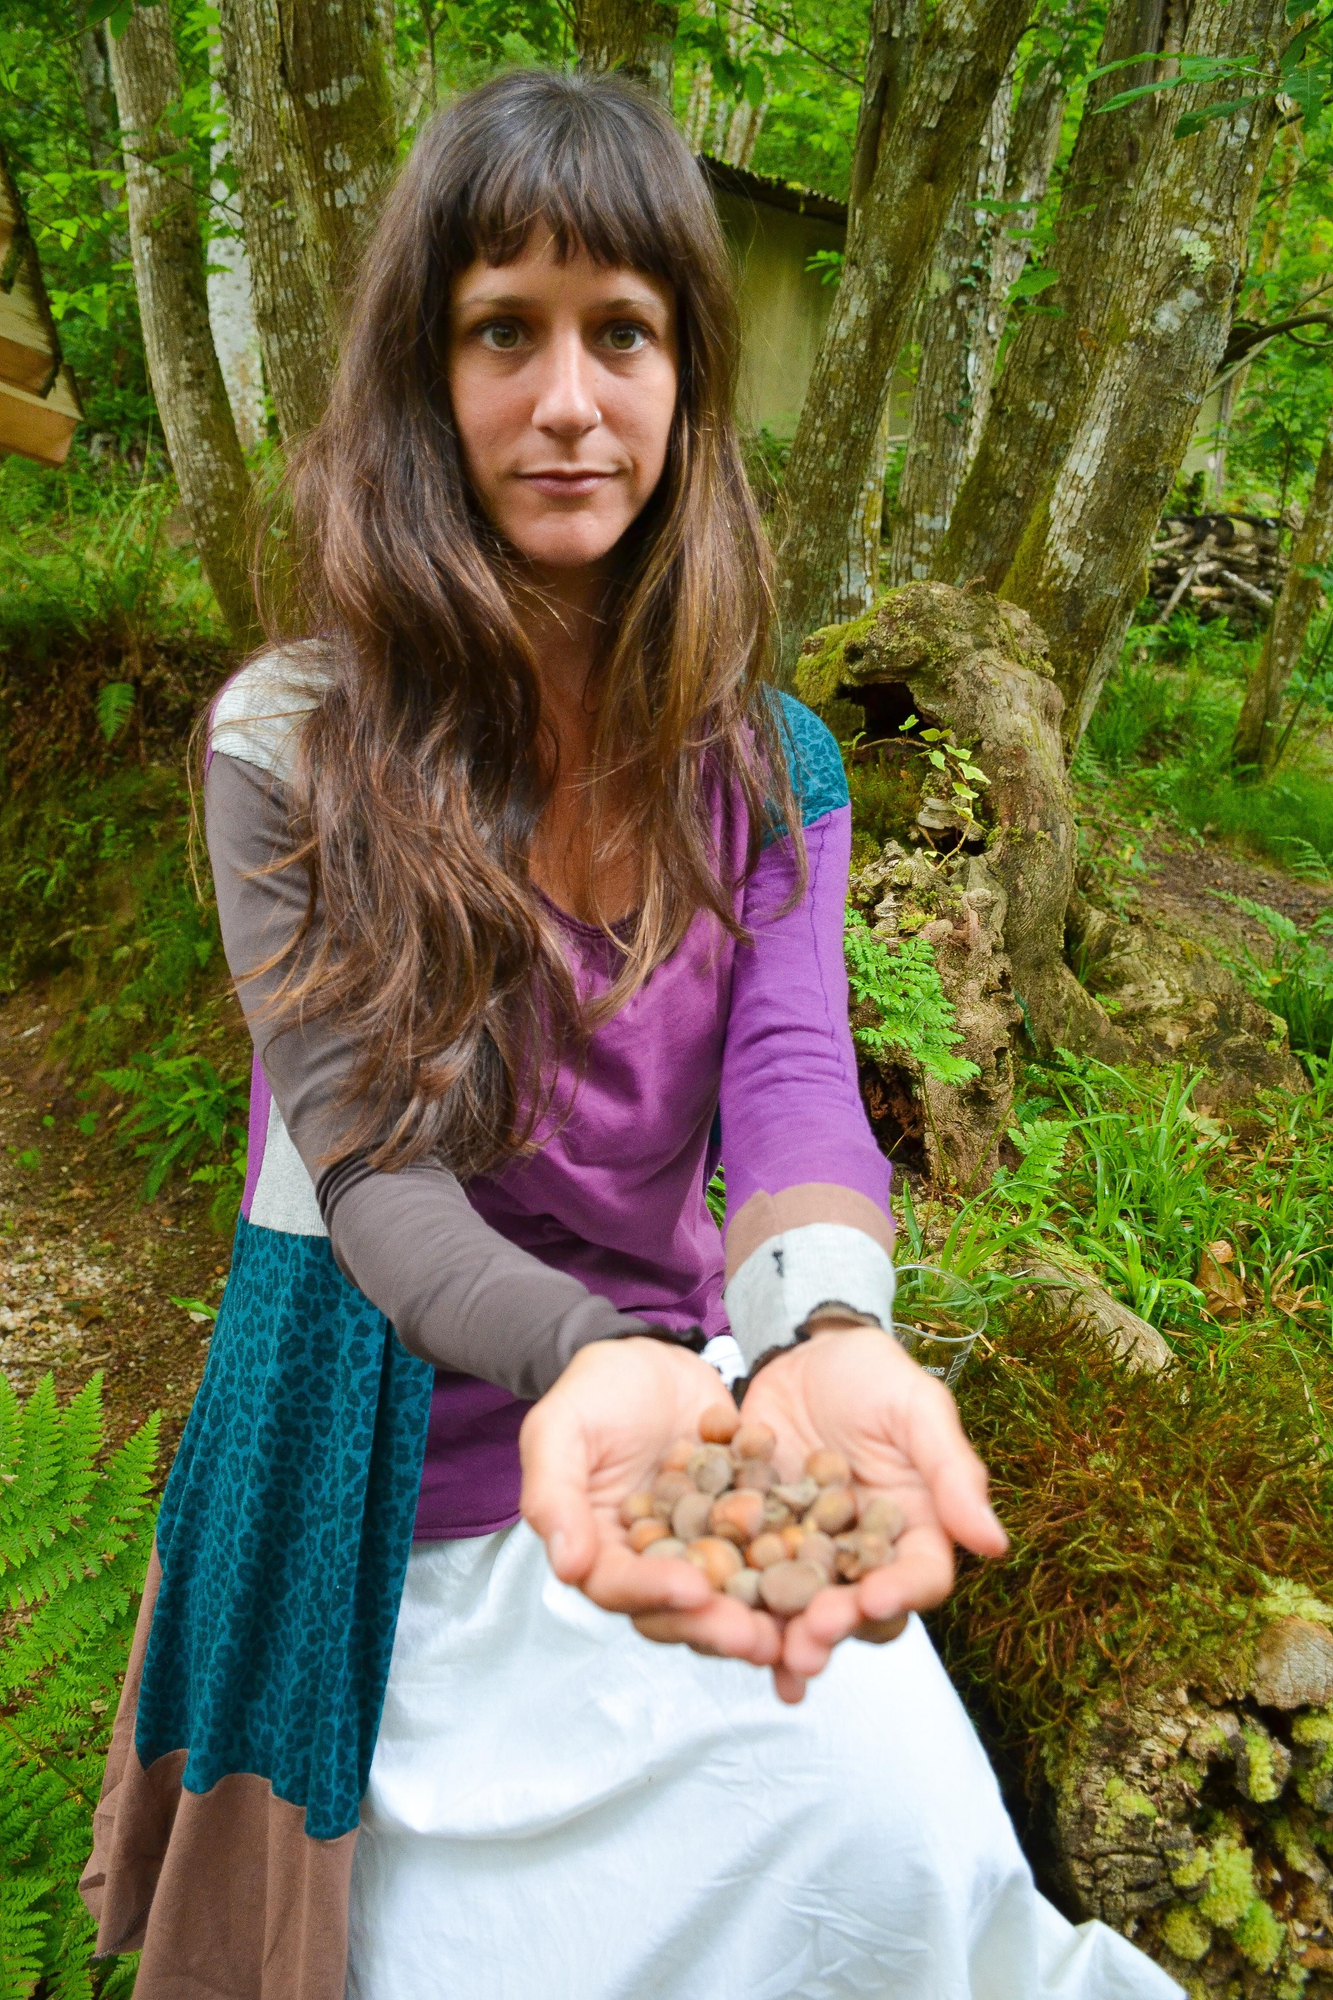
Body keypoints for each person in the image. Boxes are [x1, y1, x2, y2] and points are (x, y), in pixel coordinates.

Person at [80, 69, 1183, 2000]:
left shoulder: (774, 769)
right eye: (501, 332)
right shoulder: (287, 747)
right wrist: (592, 1354)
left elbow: (789, 1091)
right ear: (425, 376)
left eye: (623, 333)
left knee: (904, 1852)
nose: (567, 402)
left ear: (689, 373)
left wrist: (830, 1330)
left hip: (684, 1441)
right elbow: (373, 1181)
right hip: (379, 1499)